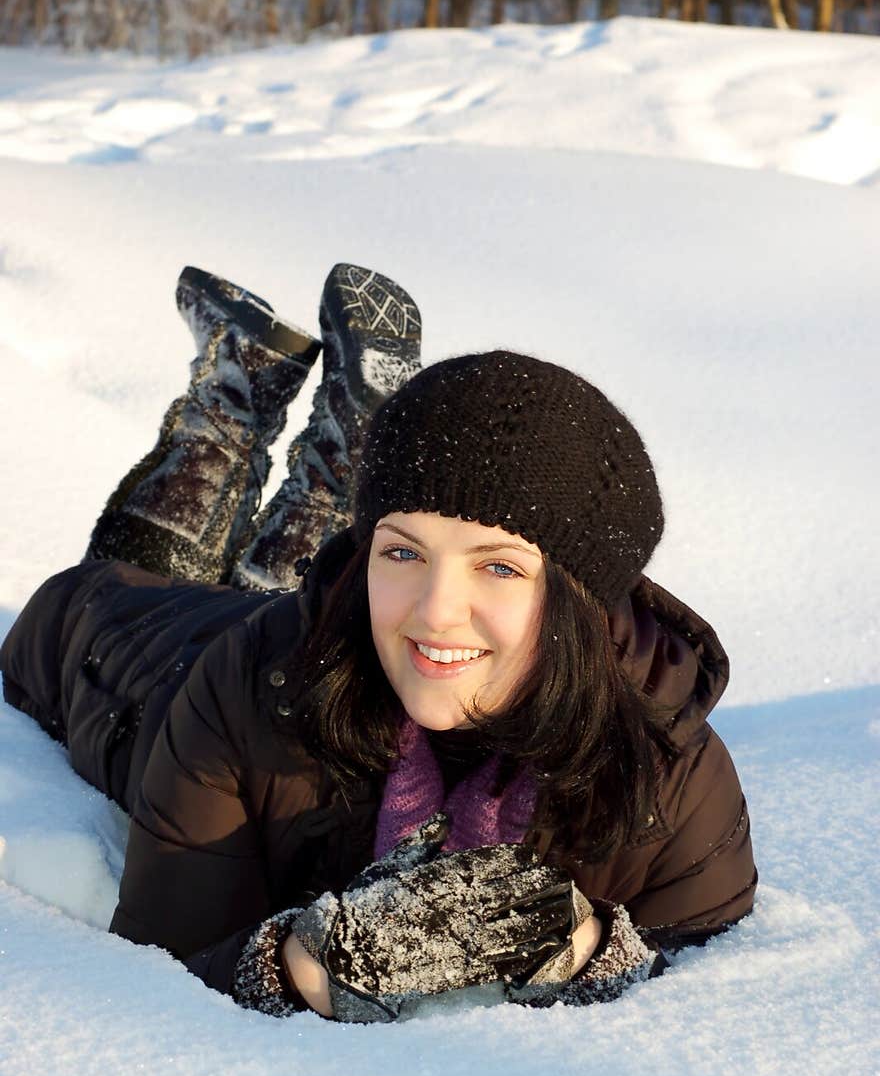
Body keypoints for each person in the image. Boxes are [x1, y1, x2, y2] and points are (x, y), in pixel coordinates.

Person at [0, 262, 756, 1023]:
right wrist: (299, 964)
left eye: (497, 566)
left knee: (279, 587)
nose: (436, 611)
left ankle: (337, 455)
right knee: (109, 581)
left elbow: (717, 1005)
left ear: (584, 602)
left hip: (319, 613)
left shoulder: (670, 769)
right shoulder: (248, 688)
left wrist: (587, 949)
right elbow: (161, 985)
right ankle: (228, 406)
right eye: (403, 552)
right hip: (150, 665)